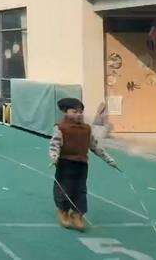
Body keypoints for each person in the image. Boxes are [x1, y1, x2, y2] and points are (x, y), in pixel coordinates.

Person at [49, 97, 118, 231]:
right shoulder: (60, 128)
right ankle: (63, 211)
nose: (78, 114)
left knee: (80, 190)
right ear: (65, 112)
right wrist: (54, 157)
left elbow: (95, 147)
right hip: (65, 163)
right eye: (74, 111)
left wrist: (109, 159)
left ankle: (77, 214)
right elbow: (55, 144)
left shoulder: (86, 129)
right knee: (64, 188)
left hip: (81, 165)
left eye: (80, 112)